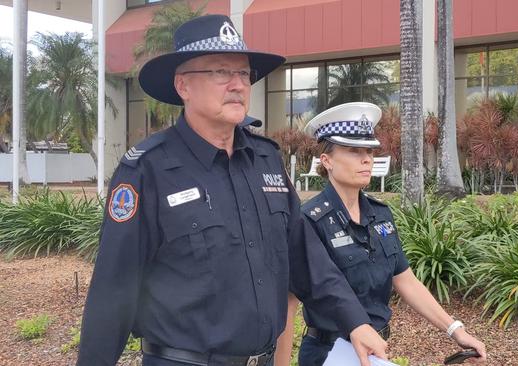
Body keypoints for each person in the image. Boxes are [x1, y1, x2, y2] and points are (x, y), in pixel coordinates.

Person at [76, 15, 387, 366]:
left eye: (243, 74)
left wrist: (355, 321)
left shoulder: (265, 160)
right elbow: (113, 291)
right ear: (183, 86)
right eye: (220, 72)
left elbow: (304, 256)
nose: (237, 84)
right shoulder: (149, 171)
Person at [274, 102, 487, 366]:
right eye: (353, 151)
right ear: (326, 161)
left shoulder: (379, 214)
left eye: (369, 151)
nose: (366, 159)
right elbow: (288, 304)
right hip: (328, 354)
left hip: (375, 353)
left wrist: (456, 329)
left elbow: (405, 280)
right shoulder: (309, 220)